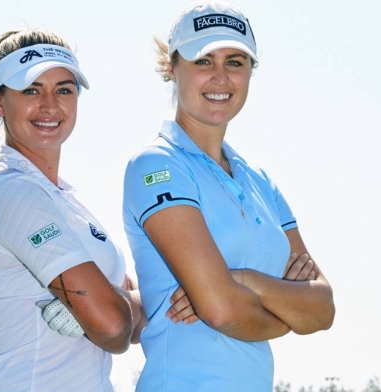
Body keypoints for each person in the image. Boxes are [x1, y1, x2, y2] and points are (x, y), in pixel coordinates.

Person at [122, 1, 336, 391]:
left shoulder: (260, 182)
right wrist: (287, 314)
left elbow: (322, 309)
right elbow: (220, 310)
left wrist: (243, 280)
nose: (220, 78)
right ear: (172, 68)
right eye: (204, 61)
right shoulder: (156, 166)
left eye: (235, 62)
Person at [0, 28, 145, 391]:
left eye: (64, 89)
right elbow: (113, 326)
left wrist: (111, 301)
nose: (50, 105)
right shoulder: (9, 190)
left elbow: (122, 322)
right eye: (31, 90)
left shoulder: (62, 199)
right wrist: (118, 300)